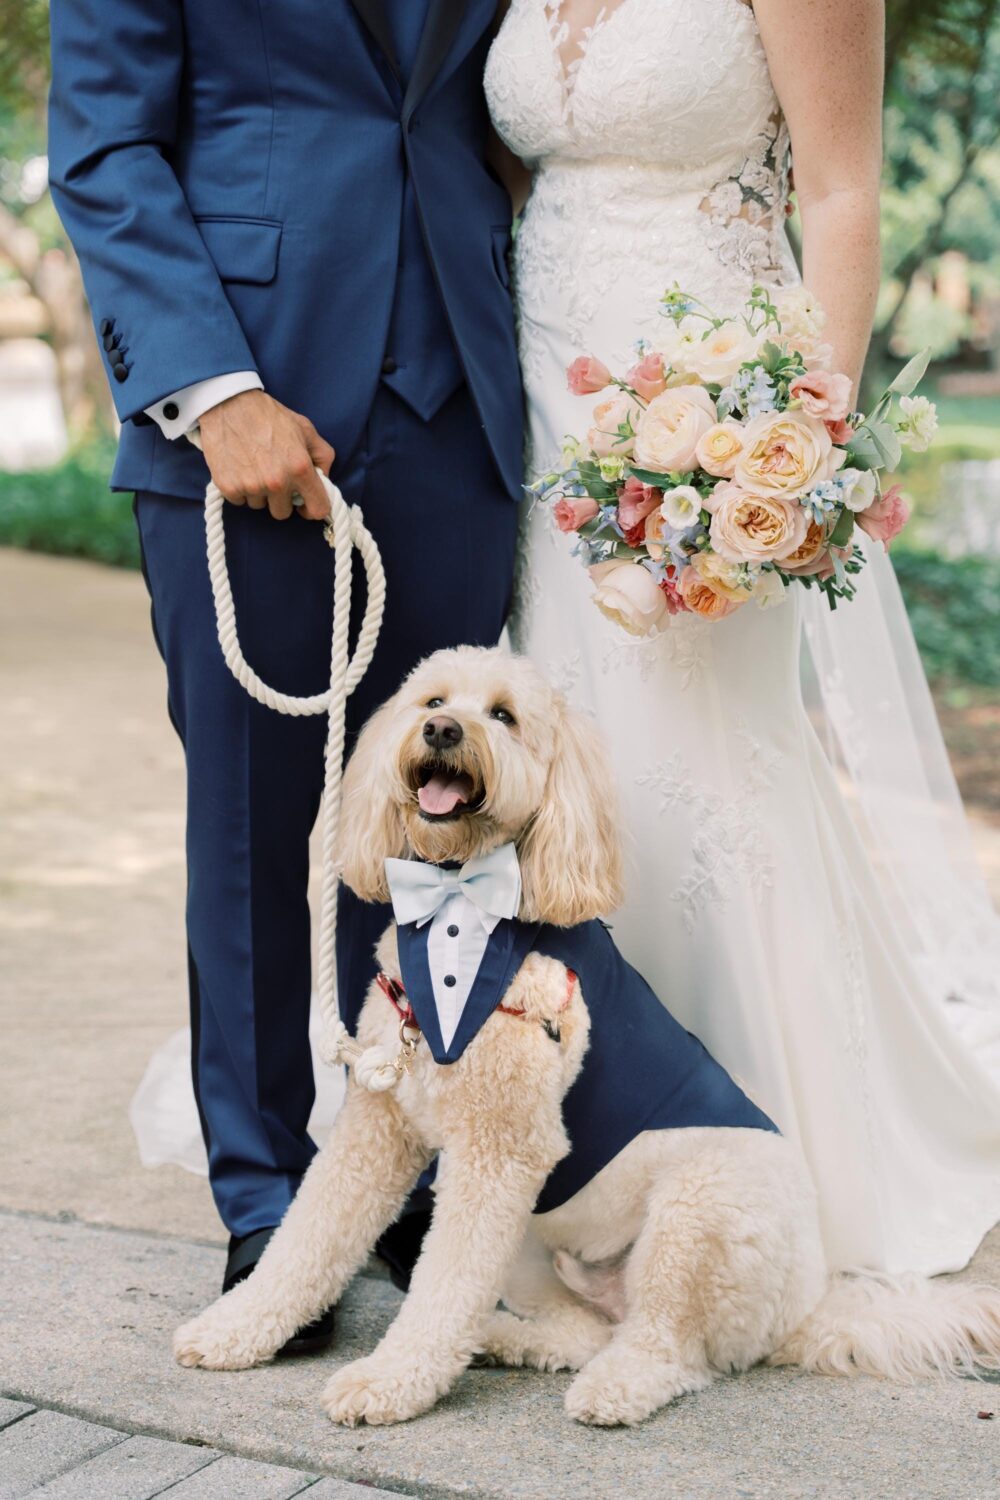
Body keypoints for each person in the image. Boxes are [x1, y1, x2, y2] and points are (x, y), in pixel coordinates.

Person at [485, 0, 1000, 1275]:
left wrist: (785, 437)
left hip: (707, 405)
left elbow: (838, 192)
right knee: (561, 752)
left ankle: (762, 1134)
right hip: (535, 398)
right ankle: (571, 1138)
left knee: (703, 755)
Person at [48, 0, 524, 1343]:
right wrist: (215, 390)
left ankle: (417, 1166)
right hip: (243, 417)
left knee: (450, 831)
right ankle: (268, 1200)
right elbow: (103, 147)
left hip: (464, 405)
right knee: (258, 832)